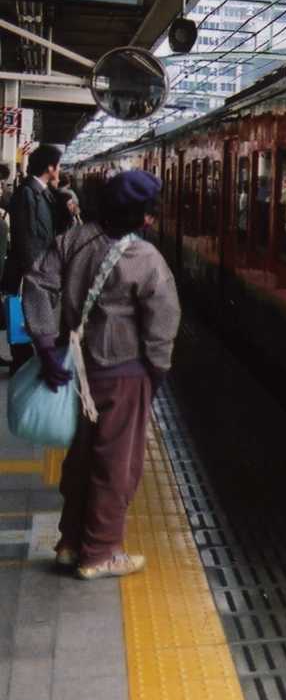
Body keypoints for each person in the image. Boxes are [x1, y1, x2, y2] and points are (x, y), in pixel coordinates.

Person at [23, 170, 181, 580]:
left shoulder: (73, 241)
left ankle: (70, 542)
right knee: (116, 464)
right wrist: (157, 374)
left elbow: (38, 283)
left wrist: (44, 344)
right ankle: (101, 552)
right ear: (142, 217)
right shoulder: (147, 259)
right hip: (125, 374)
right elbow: (163, 324)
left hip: (78, 369)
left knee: (81, 459)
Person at [3, 144, 63, 374]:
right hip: (28, 275)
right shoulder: (27, 193)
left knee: (32, 329)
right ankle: (22, 372)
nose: (59, 170)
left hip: (36, 274)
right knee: (23, 331)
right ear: (50, 167)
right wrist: (36, 276)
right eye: (57, 165)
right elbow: (26, 240)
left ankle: (27, 368)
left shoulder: (42, 193)